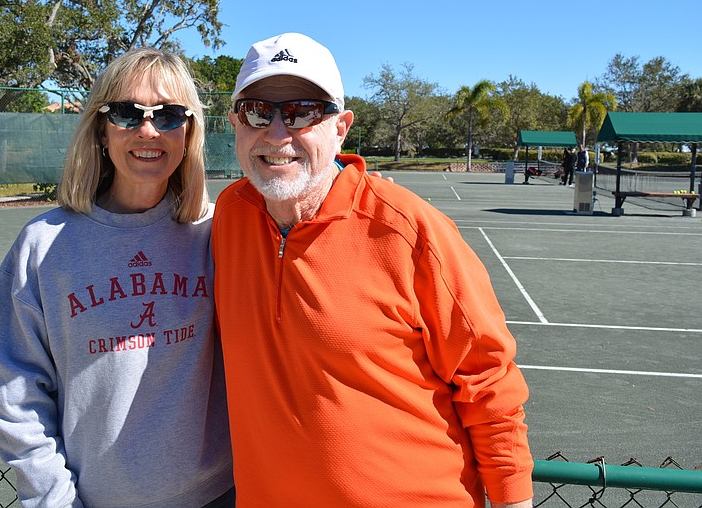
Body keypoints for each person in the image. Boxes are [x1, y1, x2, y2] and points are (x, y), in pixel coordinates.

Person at [211, 33, 534, 508]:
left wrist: (513, 499)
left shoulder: (407, 228)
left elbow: (487, 379)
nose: (277, 133)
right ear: (236, 123)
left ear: (340, 127)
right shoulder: (227, 216)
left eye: (302, 112)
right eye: (258, 111)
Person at [0, 48, 234, 508]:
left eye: (169, 115)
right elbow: (16, 395)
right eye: (126, 112)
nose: (147, 130)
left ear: (189, 132)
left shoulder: (222, 233)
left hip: (221, 495)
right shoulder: (42, 245)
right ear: (100, 129)